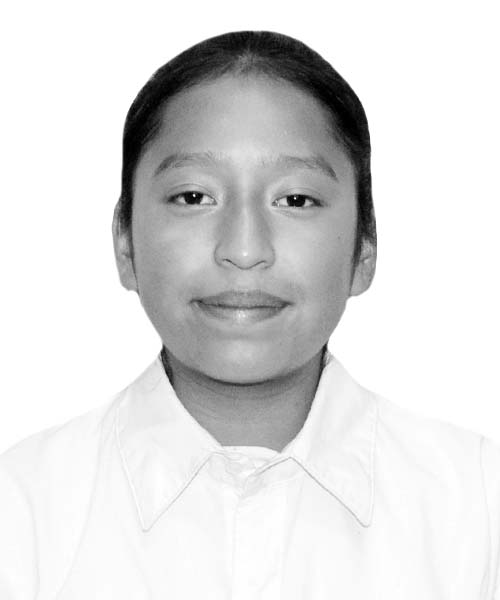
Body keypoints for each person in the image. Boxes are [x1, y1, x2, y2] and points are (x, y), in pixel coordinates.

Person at [0, 30, 498, 599]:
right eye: (193, 197)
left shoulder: (478, 509)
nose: (243, 249)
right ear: (125, 242)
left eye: (295, 200)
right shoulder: (21, 513)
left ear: (365, 247)